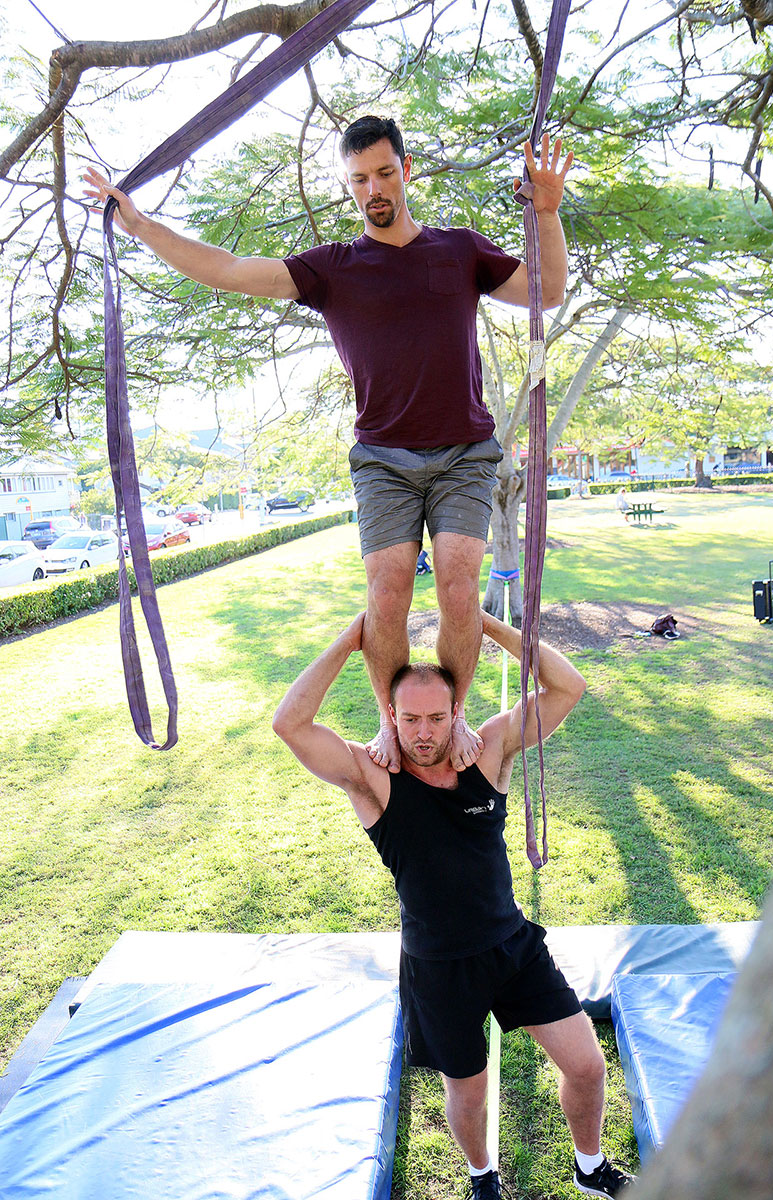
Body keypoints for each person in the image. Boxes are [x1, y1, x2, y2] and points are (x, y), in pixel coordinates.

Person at [83, 115, 573, 775]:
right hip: (383, 462)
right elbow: (228, 269)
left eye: (383, 172)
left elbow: (546, 288)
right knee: (388, 590)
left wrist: (547, 213)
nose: (373, 188)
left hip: (464, 452)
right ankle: (391, 718)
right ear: (348, 187)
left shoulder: (459, 251)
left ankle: (449, 719)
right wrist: (140, 226)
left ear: (407, 170)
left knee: (458, 590)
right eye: (359, 179)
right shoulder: (333, 269)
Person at [272, 609, 636, 1199]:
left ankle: (590, 1167)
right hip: (439, 966)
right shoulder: (373, 776)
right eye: (410, 718)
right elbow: (290, 723)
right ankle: (481, 1177)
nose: (423, 732)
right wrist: (351, 638)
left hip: (513, 947)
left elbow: (568, 686)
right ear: (390, 716)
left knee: (588, 1066)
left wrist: (483, 623)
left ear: (455, 712)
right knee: (468, 1090)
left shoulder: (487, 752)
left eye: (437, 717)